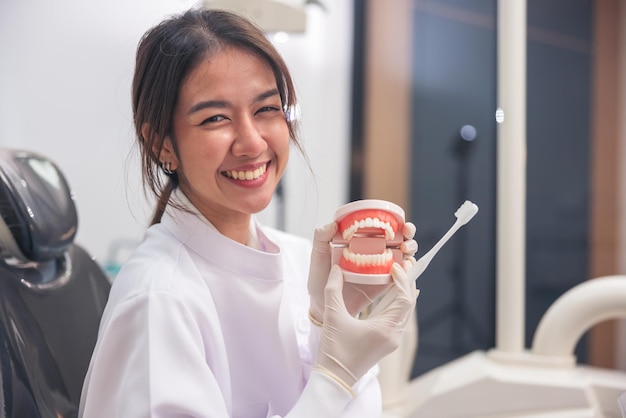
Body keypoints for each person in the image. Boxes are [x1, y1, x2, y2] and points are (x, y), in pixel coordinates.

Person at [79, 6, 419, 418]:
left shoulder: (298, 263)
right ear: (162, 143)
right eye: (215, 118)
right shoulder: (159, 300)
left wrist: (329, 318)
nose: (252, 142)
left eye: (266, 109)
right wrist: (335, 378)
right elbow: (327, 393)